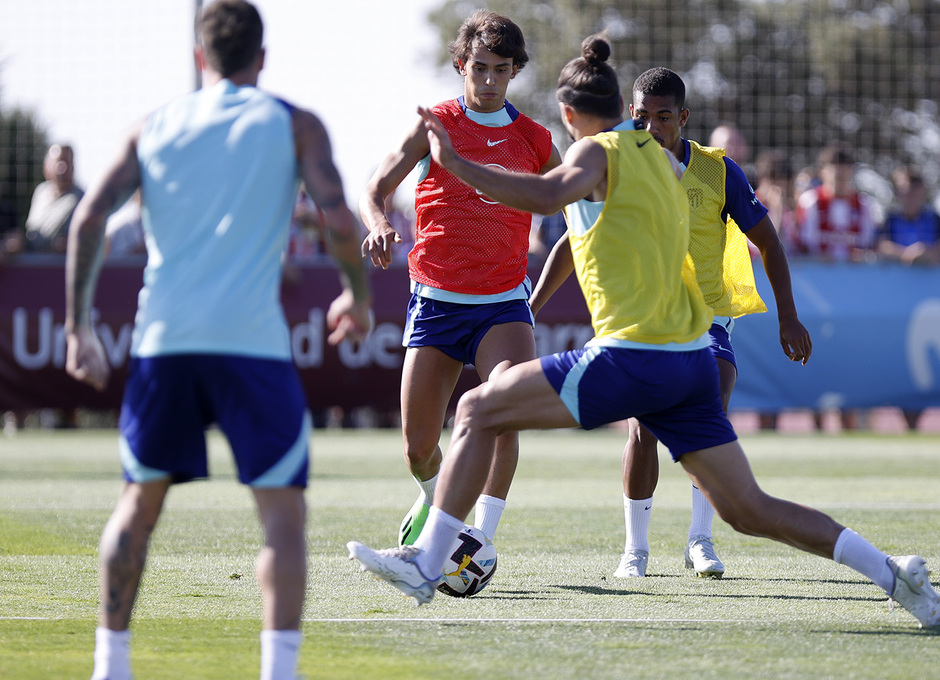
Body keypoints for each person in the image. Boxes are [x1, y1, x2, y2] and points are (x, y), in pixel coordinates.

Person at [346, 34, 940, 631]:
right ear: (628, 110)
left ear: (568, 114)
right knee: (748, 508)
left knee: (476, 409)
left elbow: (547, 195)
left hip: (633, 355)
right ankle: (896, 575)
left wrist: (455, 164)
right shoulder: (666, 159)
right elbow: (572, 229)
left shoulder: (597, 153)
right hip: (690, 358)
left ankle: (428, 564)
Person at [64, 2, 372, 679]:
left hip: (162, 343)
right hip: (252, 348)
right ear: (262, 57)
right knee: (282, 519)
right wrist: (358, 292)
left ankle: (109, 666)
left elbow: (87, 220)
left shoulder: (151, 126)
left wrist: (77, 327)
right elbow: (341, 219)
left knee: (137, 505)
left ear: (201, 56)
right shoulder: (295, 123)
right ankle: (278, 673)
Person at [359, 9, 561, 547]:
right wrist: (378, 224)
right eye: (479, 68)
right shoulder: (434, 126)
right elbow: (374, 189)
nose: (490, 80)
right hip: (435, 302)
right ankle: (433, 497)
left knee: (504, 409)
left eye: (501, 69)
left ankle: (480, 540)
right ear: (460, 65)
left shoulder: (536, 139)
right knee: (417, 446)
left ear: (515, 71)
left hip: (502, 303)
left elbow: (577, 199)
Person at [604, 67, 812, 579]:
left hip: (708, 314)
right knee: (643, 427)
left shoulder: (720, 172)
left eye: (664, 117)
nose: (653, 128)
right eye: (642, 117)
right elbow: (576, 240)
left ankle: (700, 539)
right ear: (631, 116)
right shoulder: (616, 167)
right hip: (646, 314)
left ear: (684, 118)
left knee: (710, 407)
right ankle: (636, 550)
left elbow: (768, 241)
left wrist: (788, 316)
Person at [796, 143, 876, 431]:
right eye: (835, 173)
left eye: (846, 173)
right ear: (824, 173)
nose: (841, 178)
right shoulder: (811, 203)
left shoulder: (863, 206)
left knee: (850, 361)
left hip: (851, 302)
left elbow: (867, 247)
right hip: (816, 300)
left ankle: (851, 425)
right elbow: (803, 248)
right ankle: (817, 425)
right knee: (816, 359)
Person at [796, 143, 877, 263]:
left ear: (852, 171)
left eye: (845, 166)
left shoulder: (863, 204)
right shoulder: (810, 200)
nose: (840, 171)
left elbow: (869, 243)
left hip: (855, 275)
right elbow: (802, 244)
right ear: (822, 171)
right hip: (816, 274)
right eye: (834, 165)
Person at [23, 143, 84, 253]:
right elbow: (31, 233)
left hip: (61, 266)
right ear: (46, 166)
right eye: (59, 162)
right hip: (33, 263)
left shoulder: (82, 199)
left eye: (67, 162)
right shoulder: (40, 192)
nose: (63, 168)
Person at [877, 165, 940, 268]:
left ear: (922, 192)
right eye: (906, 192)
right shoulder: (891, 219)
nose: (910, 197)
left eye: (915, 192)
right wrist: (905, 255)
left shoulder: (934, 219)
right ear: (898, 193)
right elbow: (882, 245)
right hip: (897, 280)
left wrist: (925, 252)